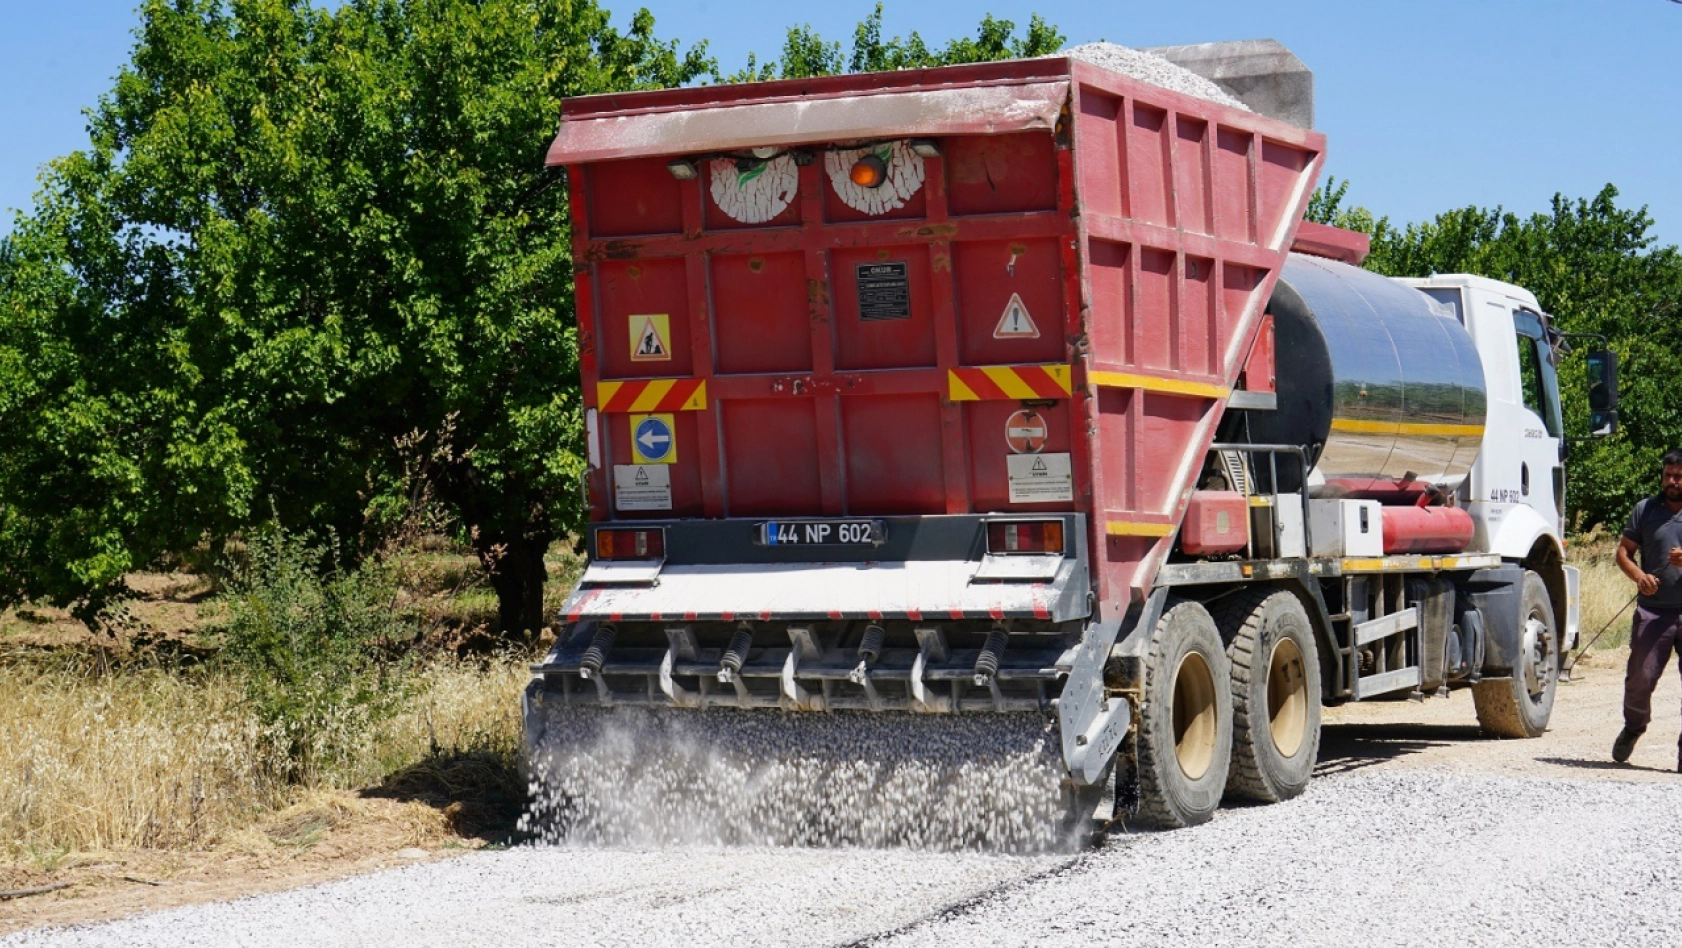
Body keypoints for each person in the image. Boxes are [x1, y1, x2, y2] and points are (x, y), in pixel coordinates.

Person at [1612, 449, 1682, 769]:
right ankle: (1634, 727)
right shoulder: (1645, 510)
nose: (1672, 481)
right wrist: (1639, 576)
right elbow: (1624, 553)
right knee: (1639, 677)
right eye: (1668, 475)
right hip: (1653, 612)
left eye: (1679, 476)